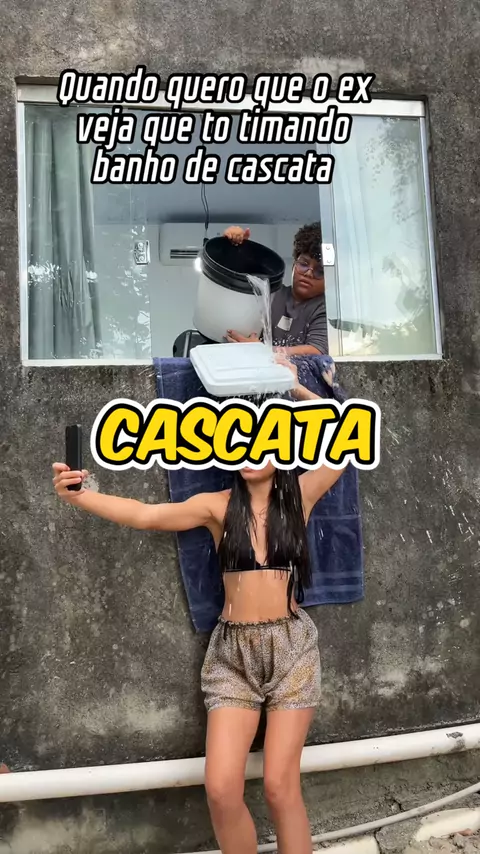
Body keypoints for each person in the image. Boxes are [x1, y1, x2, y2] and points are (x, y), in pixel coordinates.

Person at [52, 364, 345, 854]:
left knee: (280, 787)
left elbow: (340, 437)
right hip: (232, 654)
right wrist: (82, 497)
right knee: (222, 790)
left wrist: (294, 386)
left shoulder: (300, 495)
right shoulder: (216, 505)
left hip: (292, 649)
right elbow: (147, 515)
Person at [224, 223, 328, 356]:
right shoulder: (270, 294)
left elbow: (317, 351)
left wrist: (260, 350)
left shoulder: (326, 310)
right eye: (303, 264)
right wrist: (233, 248)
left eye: (319, 271)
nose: (308, 273)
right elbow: (234, 284)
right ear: (294, 265)